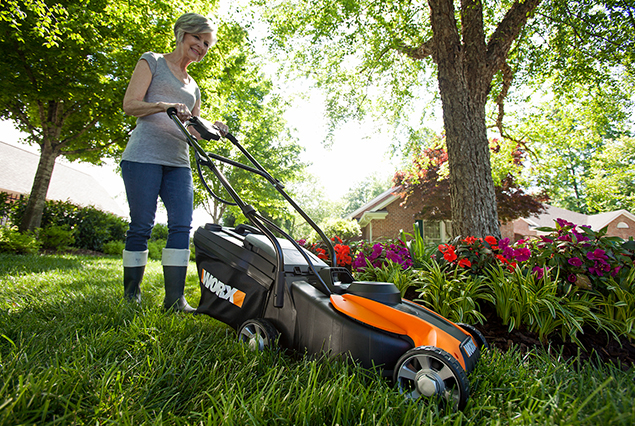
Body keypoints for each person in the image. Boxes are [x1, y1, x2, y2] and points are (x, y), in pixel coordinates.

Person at [120, 12, 228, 312]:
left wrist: (212, 130)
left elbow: (191, 129)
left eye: (207, 44)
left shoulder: (194, 87)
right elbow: (130, 105)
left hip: (178, 160)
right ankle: (132, 294)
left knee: (182, 225)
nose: (202, 47)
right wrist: (162, 105)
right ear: (182, 33)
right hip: (143, 155)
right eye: (198, 38)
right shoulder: (152, 61)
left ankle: (174, 300)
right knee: (141, 225)